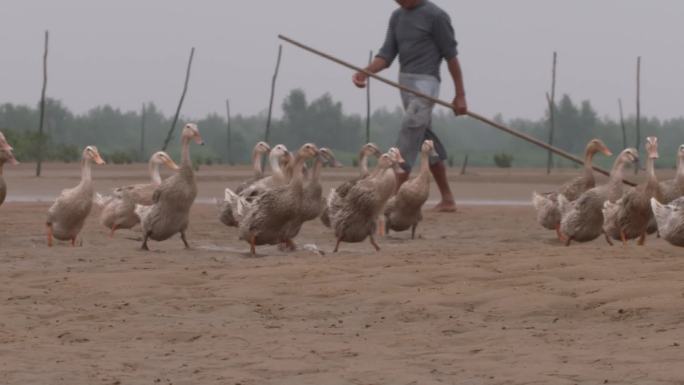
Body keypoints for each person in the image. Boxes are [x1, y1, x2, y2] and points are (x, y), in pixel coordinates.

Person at [353, 0, 467, 212]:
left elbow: (451, 57)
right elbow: (386, 55)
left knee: (410, 128)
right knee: (424, 138)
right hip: (405, 83)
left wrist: (460, 95)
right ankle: (447, 198)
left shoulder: (436, 16)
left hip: (427, 83)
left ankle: (391, 196)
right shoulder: (397, 17)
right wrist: (365, 72)